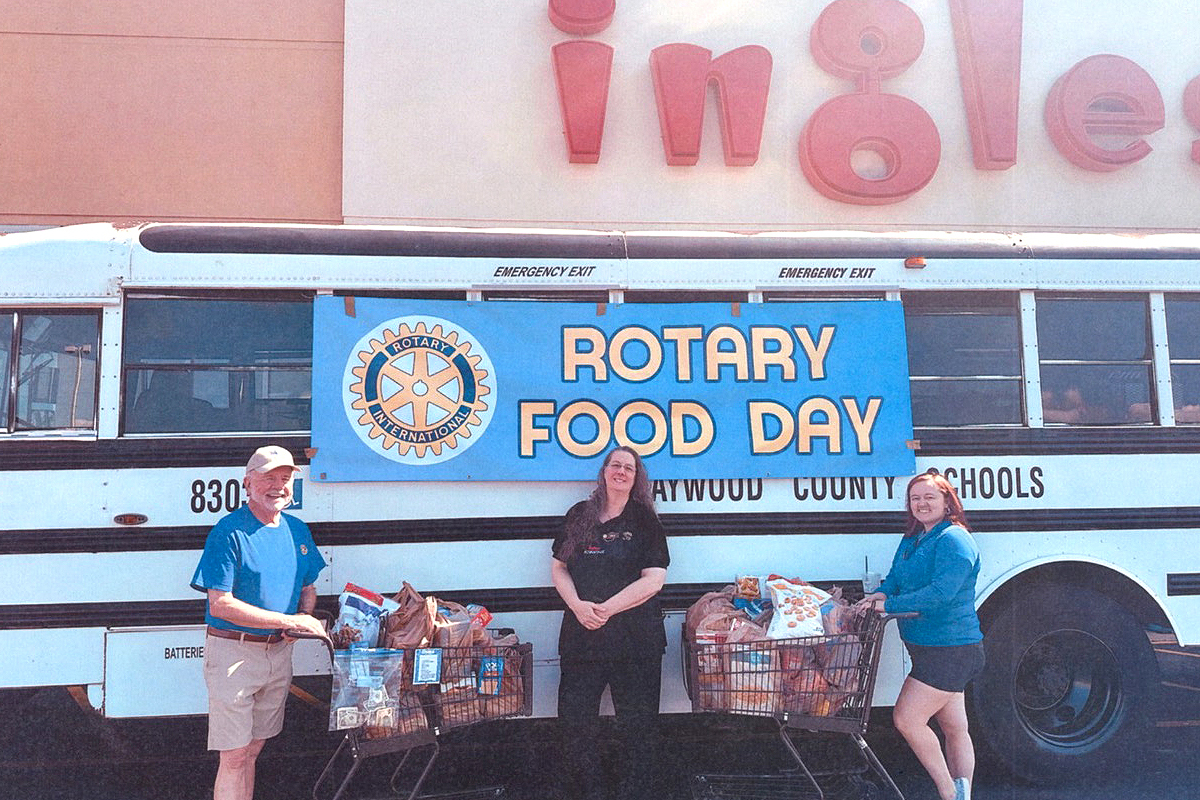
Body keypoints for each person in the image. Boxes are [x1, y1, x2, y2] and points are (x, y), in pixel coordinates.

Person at [190, 445, 327, 800]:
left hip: (278, 653)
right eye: (269, 478)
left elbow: (308, 586)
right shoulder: (229, 532)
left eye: (285, 479)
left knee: (251, 751)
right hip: (234, 655)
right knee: (234, 756)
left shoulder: (297, 530)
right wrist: (288, 618)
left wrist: (303, 618)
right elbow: (220, 605)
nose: (278, 486)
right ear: (247, 483)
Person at [855, 471, 984, 800]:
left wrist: (889, 606)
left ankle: (948, 793)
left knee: (907, 719)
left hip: (951, 649)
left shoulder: (954, 540)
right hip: (929, 649)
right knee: (954, 728)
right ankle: (963, 794)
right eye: (915, 498)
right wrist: (879, 596)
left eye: (929, 497)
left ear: (947, 502)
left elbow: (940, 594)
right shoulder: (913, 540)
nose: (922, 504)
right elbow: (895, 578)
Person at [550, 446, 670, 800]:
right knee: (575, 725)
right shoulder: (579, 515)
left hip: (636, 641)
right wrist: (577, 607)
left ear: (637, 478)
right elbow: (559, 567)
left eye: (628, 468)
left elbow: (654, 580)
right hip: (581, 638)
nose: (620, 471)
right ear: (604, 472)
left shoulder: (646, 521)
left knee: (638, 728)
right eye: (614, 465)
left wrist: (605, 610)